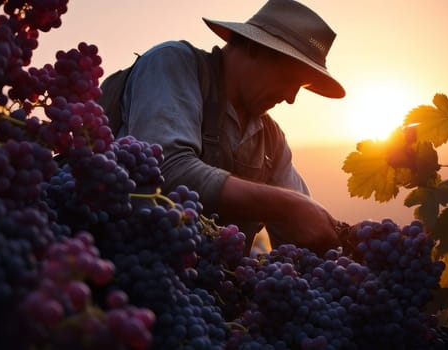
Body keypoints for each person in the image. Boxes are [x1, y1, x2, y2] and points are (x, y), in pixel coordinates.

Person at [105, 0, 349, 255]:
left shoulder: (271, 140)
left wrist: (354, 241)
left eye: (301, 87)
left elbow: (302, 230)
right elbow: (168, 168)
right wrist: (289, 205)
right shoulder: (173, 63)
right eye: (290, 79)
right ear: (254, 47)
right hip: (122, 274)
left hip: (203, 291)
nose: (290, 98)